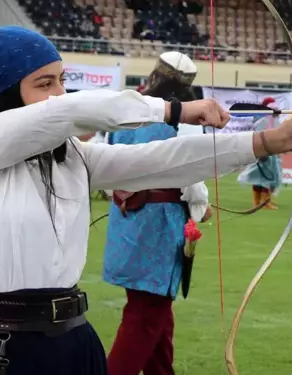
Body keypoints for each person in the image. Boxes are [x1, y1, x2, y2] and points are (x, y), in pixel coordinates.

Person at [0, 26, 292, 375]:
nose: (58, 93)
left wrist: (269, 141)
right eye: (44, 82)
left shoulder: (69, 155)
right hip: (2, 346)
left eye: (61, 80)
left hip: (72, 342)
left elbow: (158, 162)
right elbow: (69, 111)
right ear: (4, 87)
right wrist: (173, 108)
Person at [103, 51, 211, 375]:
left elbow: (106, 166)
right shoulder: (184, 119)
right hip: (159, 229)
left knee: (155, 317)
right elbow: (193, 179)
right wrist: (199, 208)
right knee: (145, 318)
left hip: (125, 223)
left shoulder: (129, 110)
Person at [238, 97, 283, 210]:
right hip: (263, 154)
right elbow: (259, 136)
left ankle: (263, 201)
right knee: (261, 178)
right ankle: (260, 202)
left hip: (271, 154)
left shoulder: (274, 120)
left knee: (265, 178)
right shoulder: (262, 120)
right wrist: (261, 152)